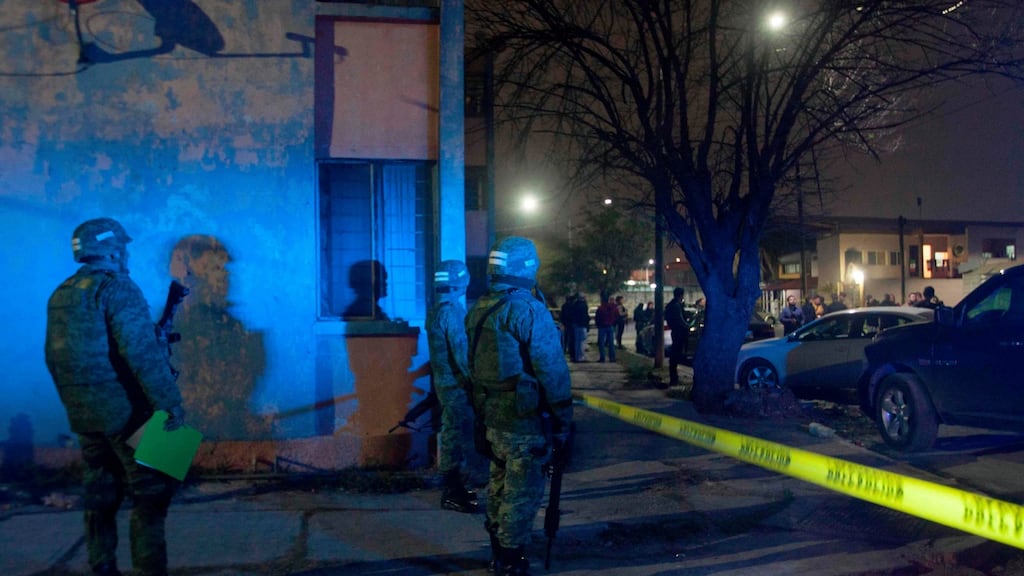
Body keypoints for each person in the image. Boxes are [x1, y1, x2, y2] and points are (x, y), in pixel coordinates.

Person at [45, 218, 187, 576]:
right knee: (153, 495)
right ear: (111, 250)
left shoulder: (61, 293)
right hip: (128, 413)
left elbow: (53, 357)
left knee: (100, 497)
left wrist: (79, 404)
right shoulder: (118, 288)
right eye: (122, 247)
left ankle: (102, 567)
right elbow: (142, 355)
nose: (126, 254)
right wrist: (170, 406)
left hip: (86, 418)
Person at [465, 236, 573, 575]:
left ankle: (498, 551)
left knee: (498, 485)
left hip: (491, 417)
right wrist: (564, 421)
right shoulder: (527, 310)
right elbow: (552, 373)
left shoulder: (480, 309)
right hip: (524, 422)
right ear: (527, 269)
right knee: (521, 493)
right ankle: (511, 561)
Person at [426, 259, 478, 513]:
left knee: (452, 433)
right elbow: (462, 354)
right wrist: (479, 384)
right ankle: (452, 491)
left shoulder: (436, 310)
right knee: (454, 436)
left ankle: (454, 488)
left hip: (444, 384)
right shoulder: (452, 313)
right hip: (457, 386)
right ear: (461, 282)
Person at [664, 287, 690, 387]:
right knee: (676, 355)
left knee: (675, 356)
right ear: (681, 295)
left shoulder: (671, 305)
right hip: (679, 332)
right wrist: (687, 326)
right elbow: (680, 320)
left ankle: (674, 378)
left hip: (675, 331)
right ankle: (674, 379)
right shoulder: (676, 306)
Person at [594, 292, 618, 362]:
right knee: (611, 343)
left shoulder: (601, 308)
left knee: (601, 343)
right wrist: (612, 322)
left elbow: (597, 317)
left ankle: (602, 357)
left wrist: (598, 324)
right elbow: (616, 315)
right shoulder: (613, 307)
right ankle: (612, 357)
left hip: (602, 326)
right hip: (610, 325)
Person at [568, 291, 589, 362]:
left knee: (577, 342)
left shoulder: (574, 304)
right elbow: (584, 316)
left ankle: (577, 357)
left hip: (575, 325)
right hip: (582, 325)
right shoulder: (583, 305)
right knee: (582, 341)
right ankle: (581, 357)